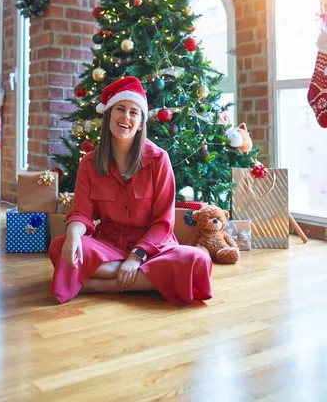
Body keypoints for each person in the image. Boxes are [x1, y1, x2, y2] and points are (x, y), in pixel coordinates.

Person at [49, 76, 213, 304]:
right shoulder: (90, 162)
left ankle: (105, 285)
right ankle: (146, 282)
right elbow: (81, 213)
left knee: (198, 260)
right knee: (60, 247)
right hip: (108, 247)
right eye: (120, 109)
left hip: (153, 250)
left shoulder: (159, 160)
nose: (126, 117)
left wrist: (136, 257)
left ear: (141, 123)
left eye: (134, 112)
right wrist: (73, 235)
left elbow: (163, 223)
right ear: (108, 115)